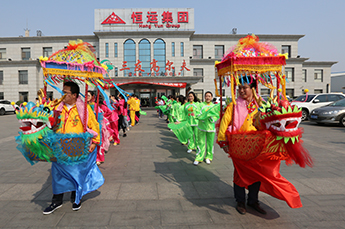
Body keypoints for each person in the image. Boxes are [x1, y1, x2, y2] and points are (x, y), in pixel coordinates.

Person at [217, 78, 302, 215]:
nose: (242, 90)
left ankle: (253, 200)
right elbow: (224, 122)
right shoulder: (234, 105)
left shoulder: (261, 104)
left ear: (253, 89)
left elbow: (271, 119)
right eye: (240, 88)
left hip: (259, 144)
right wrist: (222, 140)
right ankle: (240, 201)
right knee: (239, 173)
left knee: (257, 173)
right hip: (240, 144)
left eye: (245, 87)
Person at [43, 81, 104, 215]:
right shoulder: (57, 108)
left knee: (76, 172)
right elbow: (49, 124)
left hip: (77, 147)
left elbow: (94, 126)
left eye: (66, 92)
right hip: (59, 146)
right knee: (57, 174)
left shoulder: (84, 109)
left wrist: (94, 142)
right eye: (63, 92)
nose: (63, 95)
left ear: (74, 95)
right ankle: (56, 200)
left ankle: (76, 197)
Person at [194, 91, 219, 165]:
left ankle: (208, 157)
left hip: (210, 127)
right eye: (206, 96)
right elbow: (197, 113)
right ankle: (199, 157)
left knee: (210, 143)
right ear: (204, 97)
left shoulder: (214, 106)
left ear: (211, 97)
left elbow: (216, 115)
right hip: (201, 126)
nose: (207, 97)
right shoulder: (200, 105)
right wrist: (203, 117)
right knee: (200, 142)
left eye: (209, 96)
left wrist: (212, 118)